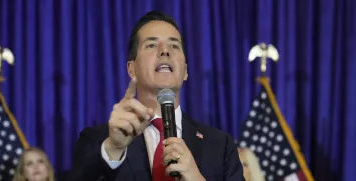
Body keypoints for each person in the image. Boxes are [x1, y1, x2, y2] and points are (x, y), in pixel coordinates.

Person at [70, 10, 244, 181]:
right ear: (131, 69)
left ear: (185, 71)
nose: (165, 51)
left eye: (174, 45)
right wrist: (113, 149)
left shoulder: (220, 145)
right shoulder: (99, 140)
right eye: (151, 45)